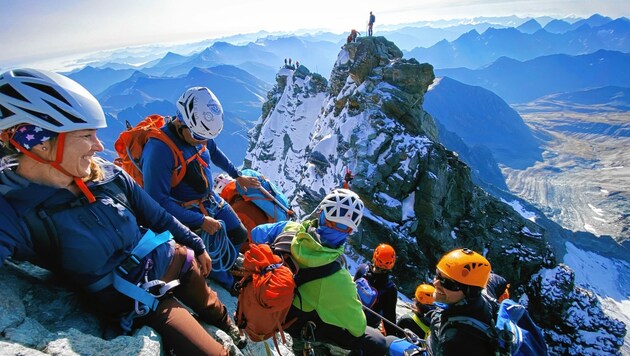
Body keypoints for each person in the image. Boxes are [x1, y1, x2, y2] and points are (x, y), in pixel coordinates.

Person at [0, 68, 242, 355]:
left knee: (211, 304)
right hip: (140, 298)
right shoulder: (15, 209)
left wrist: (197, 245)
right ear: (38, 142)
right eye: (87, 135)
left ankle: (227, 324)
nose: (99, 146)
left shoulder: (109, 176)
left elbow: (158, 217)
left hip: (173, 258)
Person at [139, 86, 260, 291]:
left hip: (210, 200)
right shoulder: (159, 150)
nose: (202, 141)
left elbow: (214, 151)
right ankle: (225, 280)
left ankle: (225, 263)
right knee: (212, 247)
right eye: (197, 135)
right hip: (187, 210)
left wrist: (237, 176)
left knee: (239, 233)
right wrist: (200, 221)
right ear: (181, 122)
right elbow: (157, 201)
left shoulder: (199, 133)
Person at [250, 188, 397, 355]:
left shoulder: (288, 229)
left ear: (321, 213)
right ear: (350, 230)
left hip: (267, 301)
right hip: (296, 324)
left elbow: (256, 234)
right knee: (376, 341)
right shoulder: (337, 277)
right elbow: (358, 328)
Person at [426, 248, 495, 355]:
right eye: (438, 275)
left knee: (390, 342)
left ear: (469, 292)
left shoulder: (456, 342)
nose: (436, 283)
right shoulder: (483, 301)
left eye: (448, 283)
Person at [354, 243, 400, 336]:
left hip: (350, 312)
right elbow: (389, 318)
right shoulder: (390, 288)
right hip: (366, 326)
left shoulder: (362, 269)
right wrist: (392, 339)